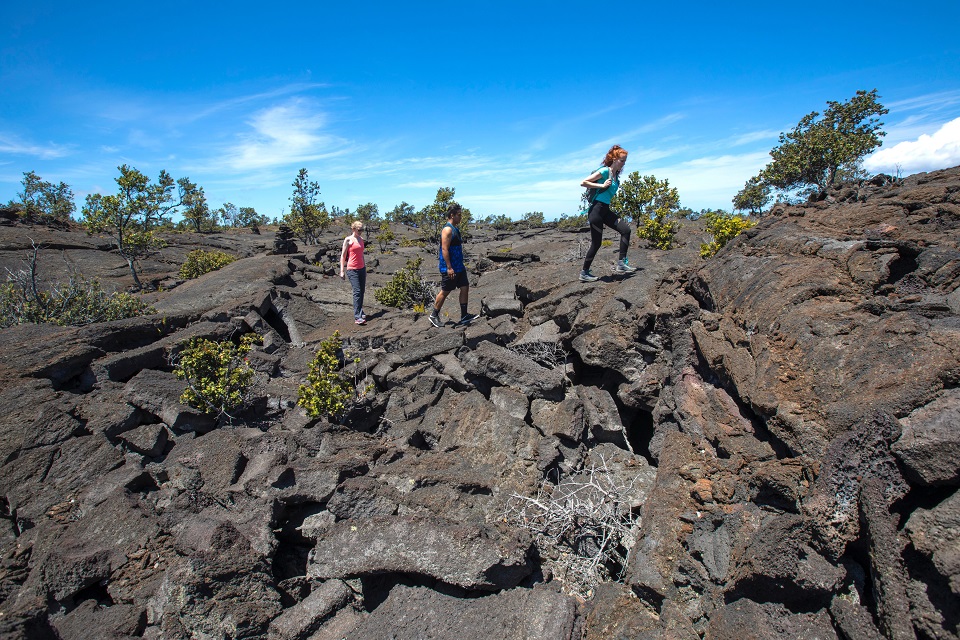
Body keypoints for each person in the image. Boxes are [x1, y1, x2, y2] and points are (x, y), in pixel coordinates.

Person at [579, 144, 637, 282]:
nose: (623, 163)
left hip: (605, 209)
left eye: (625, 161)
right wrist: (601, 185)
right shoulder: (605, 171)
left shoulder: (616, 175)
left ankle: (621, 263)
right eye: (622, 160)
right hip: (596, 210)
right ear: (615, 159)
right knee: (596, 243)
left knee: (626, 230)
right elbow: (584, 182)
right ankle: (584, 273)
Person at [429, 203, 480, 327]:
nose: (460, 217)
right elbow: (445, 249)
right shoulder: (447, 229)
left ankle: (464, 316)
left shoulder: (455, 228)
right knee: (445, 291)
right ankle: (433, 315)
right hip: (451, 267)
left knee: (464, 287)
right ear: (452, 215)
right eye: (458, 215)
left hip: (459, 266)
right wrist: (449, 267)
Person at [340, 220, 367, 325]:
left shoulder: (361, 239)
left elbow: (361, 255)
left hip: (362, 268)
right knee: (357, 291)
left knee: (362, 291)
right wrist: (342, 270)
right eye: (359, 230)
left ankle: (360, 311)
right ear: (354, 229)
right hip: (352, 269)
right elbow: (343, 256)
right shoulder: (348, 240)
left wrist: (365, 268)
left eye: (362, 230)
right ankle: (357, 317)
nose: (361, 232)